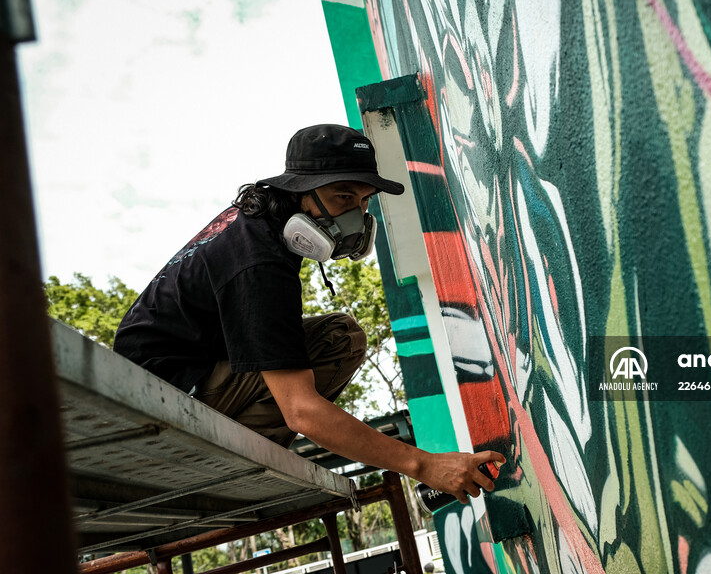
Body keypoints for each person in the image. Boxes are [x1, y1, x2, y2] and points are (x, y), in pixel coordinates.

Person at [113, 124, 503, 503]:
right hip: (157, 402)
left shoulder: (257, 219)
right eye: (342, 198)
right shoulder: (259, 262)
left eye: (364, 201)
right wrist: (423, 465)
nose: (356, 216)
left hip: (180, 371)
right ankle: (214, 467)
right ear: (299, 192)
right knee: (339, 342)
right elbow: (301, 412)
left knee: (337, 333)